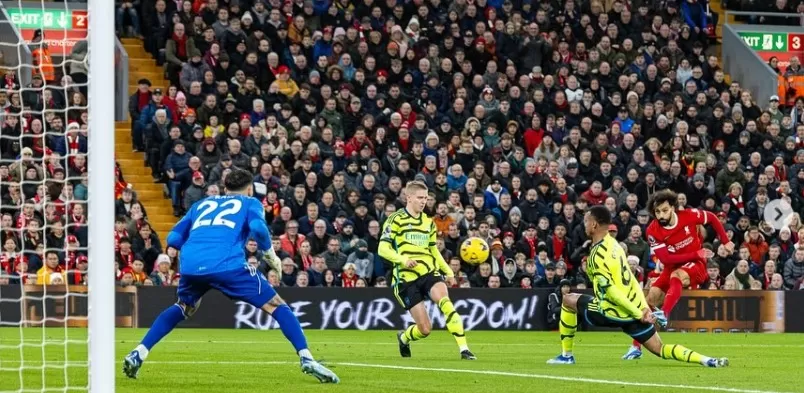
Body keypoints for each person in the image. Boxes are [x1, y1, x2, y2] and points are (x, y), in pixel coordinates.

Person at [123, 169, 339, 383]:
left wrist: (197, 248)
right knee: (276, 305)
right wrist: (270, 255)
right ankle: (306, 358)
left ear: (225, 189)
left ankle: (139, 352)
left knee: (183, 307)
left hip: (191, 264)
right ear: (249, 189)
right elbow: (258, 228)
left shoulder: (201, 204)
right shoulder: (250, 202)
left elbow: (173, 238)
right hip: (226, 264)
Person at [547, 205, 728, 368]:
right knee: (660, 348)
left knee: (568, 300)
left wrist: (638, 312)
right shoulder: (615, 246)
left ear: (594, 225)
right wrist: (642, 308)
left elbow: (612, 292)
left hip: (610, 311)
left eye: (586, 221)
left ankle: (566, 356)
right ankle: (707, 360)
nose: (584, 225)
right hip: (632, 310)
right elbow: (632, 281)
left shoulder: (596, 256)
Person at [622, 190, 734, 360]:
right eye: (657, 212)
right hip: (674, 264)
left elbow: (711, 217)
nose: (661, 215)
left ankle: (664, 314)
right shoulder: (653, 230)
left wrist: (726, 241)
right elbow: (666, 259)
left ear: (673, 208)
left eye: (665, 210)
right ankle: (636, 347)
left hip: (696, 265)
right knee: (650, 299)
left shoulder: (688, 215)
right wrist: (696, 253)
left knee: (677, 275)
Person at [378, 180, 476, 360]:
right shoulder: (395, 220)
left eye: (425, 198)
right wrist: (403, 260)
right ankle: (404, 337)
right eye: (420, 198)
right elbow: (382, 249)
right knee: (425, 329)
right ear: (409, 197)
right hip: (405, 279)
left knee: (445, 302)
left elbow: (434, 251)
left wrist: (448, 272)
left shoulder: (428, 222)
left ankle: (464, 349)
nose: (424, 201)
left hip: (429, 272)